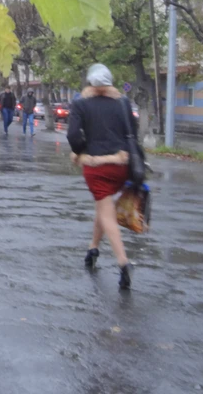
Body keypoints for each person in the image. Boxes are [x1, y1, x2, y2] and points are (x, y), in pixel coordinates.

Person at [67, 64, 137, 290]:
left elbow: (73, 136)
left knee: (107, 214)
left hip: (96, 166)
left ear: (90, 83)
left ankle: (123, 262)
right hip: (121, 165)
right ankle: (93, 248)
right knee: (103, 204)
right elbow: (133, 133)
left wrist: (80, 152)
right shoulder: (123, 103)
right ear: (110, 83)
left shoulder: (80, 104)